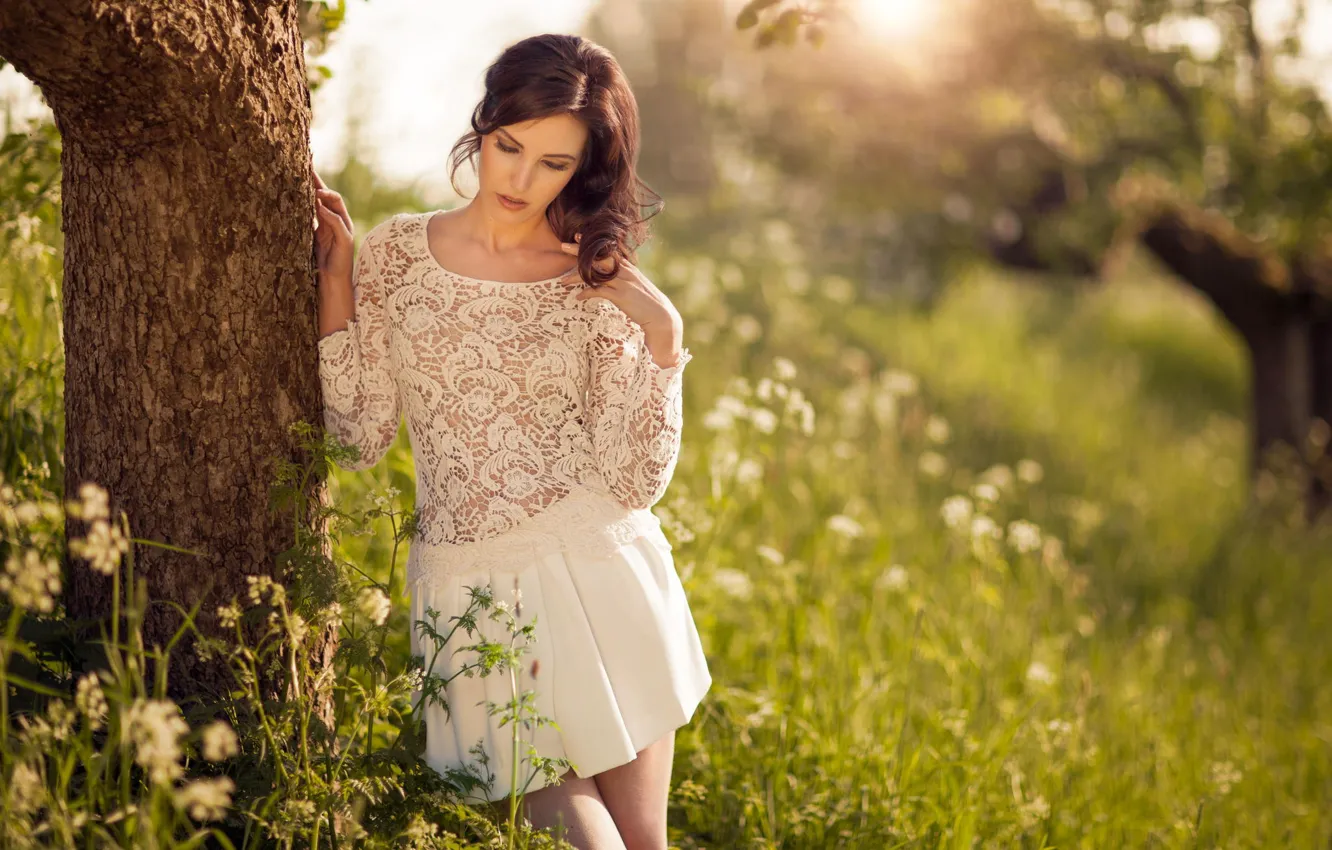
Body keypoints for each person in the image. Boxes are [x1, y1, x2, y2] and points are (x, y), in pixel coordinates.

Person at [312, 32, 712, 850]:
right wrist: (337, 282)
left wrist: (664, 338)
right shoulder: (395, 255)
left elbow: (633, 481)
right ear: (484, 125)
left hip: (603, 578)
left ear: (584, 169)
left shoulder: (593, 276)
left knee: (644, 843)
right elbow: (358, 437)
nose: (521, 181)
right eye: (509, 147)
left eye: (554, 163)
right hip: (471, 597)